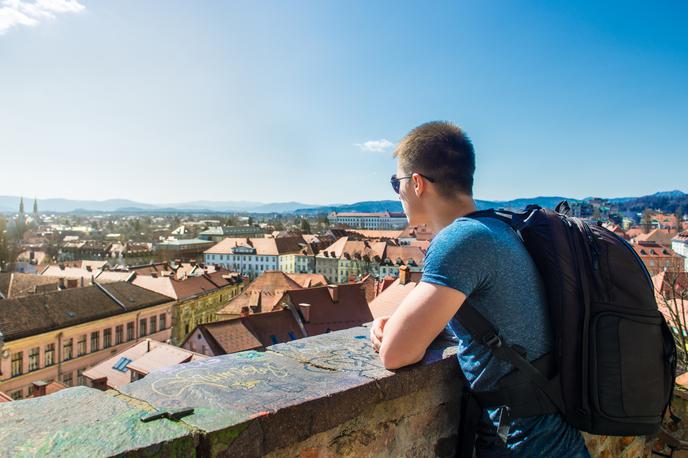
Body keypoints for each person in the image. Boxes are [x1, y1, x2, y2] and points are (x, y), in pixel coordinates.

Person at [369, 121, 589, 457]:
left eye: (395, 182)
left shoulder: (459, 242)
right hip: (548, 430)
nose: (396, 193)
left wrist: (393, 330)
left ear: (416, 183)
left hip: (523, 440)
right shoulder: (497, 227)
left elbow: (395, 354)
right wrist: (404, 321)